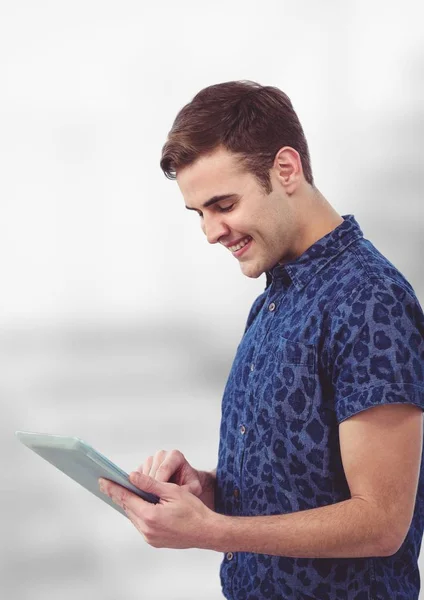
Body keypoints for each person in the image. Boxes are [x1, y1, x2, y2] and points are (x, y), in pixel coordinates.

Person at [99, 81, 424, 599]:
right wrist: (208, 493)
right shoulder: (274, 299)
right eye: (199, 213)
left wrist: (212, 532)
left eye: (223, 204)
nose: (210, 231)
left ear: (286, 170)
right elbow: (299, 484)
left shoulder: (370, 301)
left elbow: (382, 522)